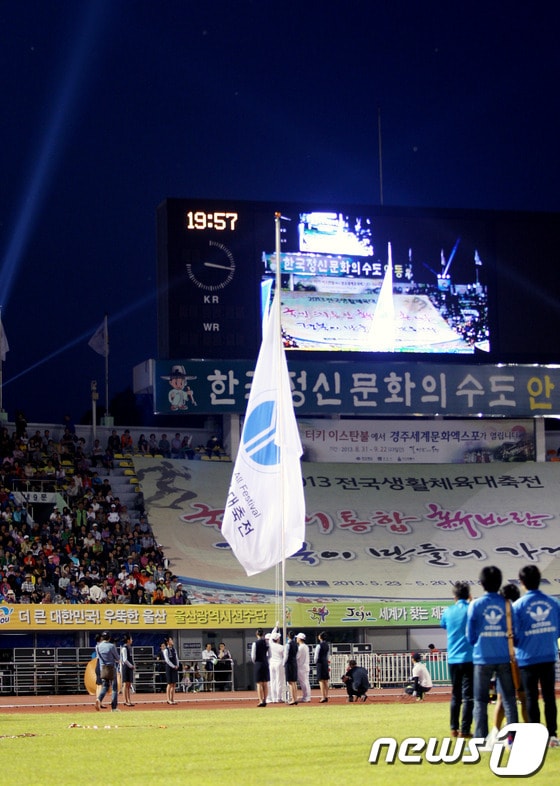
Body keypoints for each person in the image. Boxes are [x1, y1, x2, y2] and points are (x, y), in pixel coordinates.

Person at [466, 565, 518, 743]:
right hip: (504, 657)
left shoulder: (476, 604)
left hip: (482, 658)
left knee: (480, 701)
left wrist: (480, 643)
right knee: (510, 700)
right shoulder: (507, 604)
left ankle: (480, 739)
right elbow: (515, 631)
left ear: (481, 583)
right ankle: (513, 739)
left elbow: (470, 635)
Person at [513, 564, 560, 747]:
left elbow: (513, 635)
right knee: (549, 697)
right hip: (548, 655)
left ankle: (535, 737)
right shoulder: (553, 602)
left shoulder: (518, 606)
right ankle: (553, 736)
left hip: (526, 658)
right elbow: (557, 629)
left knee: (531, 698)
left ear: (522, 582)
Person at [486, 583, 528, 745]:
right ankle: (529, 732)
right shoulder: (524, 611)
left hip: (507, 661)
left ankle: (497, 734)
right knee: (524, 699)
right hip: (523, 661)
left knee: (503, 700)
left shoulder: (504, 614)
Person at [440, 580, 474, 737]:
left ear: (454, 596)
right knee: (469, 697)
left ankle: (453, 728)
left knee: (456, 695)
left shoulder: (448, 611)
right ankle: (465, 730)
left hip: (453, 658)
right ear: (468, 595)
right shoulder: (472, 609)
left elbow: (444, 625)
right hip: (470, 658)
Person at [95, 631, 121, 712]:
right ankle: (114, 707)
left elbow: (98, 658)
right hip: (111, 668)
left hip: (103, 668)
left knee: (105, 687)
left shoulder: (98, 647)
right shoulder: (111, 646)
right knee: (114, 689)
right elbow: (117, 657)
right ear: (109, 638)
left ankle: (99, 699)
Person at [251, 628, 270, 707]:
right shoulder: (267, 642)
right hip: (265, 662)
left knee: (259, 683)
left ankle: (260, 700)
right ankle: (265, 699)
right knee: (265, 683)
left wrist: (255, 662)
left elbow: (253, 656)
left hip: (258, 663)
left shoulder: (255, 643)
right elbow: (269, 654)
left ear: (256, 634)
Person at [268, 624, 286, 703]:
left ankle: (273, 697)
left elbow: (272, 635)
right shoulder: (281, 647)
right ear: (278, 639)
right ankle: (279, 697)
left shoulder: (270, 645)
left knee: (273, 681)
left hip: (272, 663)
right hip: (279, 663)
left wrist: (275, 627)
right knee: (279, 681)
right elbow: (285, 656)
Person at [163, 635, 180, 704]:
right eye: (170, 640)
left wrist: (178, 665)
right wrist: (173, 666)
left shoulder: (174, 649)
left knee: (174, 684)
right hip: (169, 668)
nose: (172, 641)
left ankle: (172, 699)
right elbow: (167, 660)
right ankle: (168, 699)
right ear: (167, 642)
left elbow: (176, 658)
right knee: (169, 684)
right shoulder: (165, 650)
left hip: (174, 668)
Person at [314, 631, 330, 703]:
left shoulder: (319, 645)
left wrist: (315, 662)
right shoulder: (327, 645)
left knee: (321, 680)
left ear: (320, 637)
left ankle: (323, 696)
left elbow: (316, 656)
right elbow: (327, 655)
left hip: (320, 663)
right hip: (325, 662)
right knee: (326, 680)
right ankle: (326, 696)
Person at [284, 631, 299, 705]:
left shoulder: (288, 645)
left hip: (289, 663)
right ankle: (295, 698)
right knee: (294, 682)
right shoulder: (296, 645)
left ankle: (293, 699)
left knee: (290, 682)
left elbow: (286, 655)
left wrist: (283, 663)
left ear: (288, 636)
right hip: (294, 663)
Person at [120, 632, 135, 707]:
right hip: (126, 667)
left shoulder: (129, 648)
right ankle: (125, 700)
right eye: (131, 639)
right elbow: (125, 660)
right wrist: (131, 666)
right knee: (125, 684)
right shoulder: (124, 648)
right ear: (128, 640)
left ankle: (129, 700)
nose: (132, 640)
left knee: (129, 684)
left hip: (129, 667)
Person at [296, 632, 311, 703]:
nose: (296, 639)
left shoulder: (301, 647)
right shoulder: (305, 646)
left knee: (304, 683)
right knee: (305, 682)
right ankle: (306, 696)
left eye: (297, 638)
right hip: (305, 666)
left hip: (301, 667)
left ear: (300, 639)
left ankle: (306, 697)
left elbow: (297, 656)